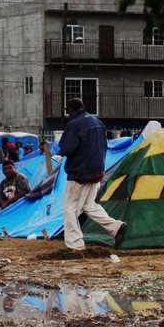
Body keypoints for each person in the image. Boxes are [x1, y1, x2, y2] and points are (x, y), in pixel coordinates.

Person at [58, 97, 125, 252]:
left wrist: (57, 155)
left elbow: (67, 148)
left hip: (80, 172)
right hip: (97, 170)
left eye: (67, 111)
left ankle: (75, 244)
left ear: (71, 110)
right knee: (89, 205)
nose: (68, 114)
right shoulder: (97, 122)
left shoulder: (75, 124)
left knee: (70, 208)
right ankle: (116, 227)